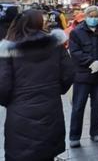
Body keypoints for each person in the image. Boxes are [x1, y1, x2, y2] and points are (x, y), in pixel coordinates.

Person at [0, 9, 75, 161]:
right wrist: (56, 89)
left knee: (21, 152)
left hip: (20, 110)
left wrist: (10, 102)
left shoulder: (9, 48)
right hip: (50, 107)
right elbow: (68, 73)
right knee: (46, 151)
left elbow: (3, 84)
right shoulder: (55, 44)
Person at [68, 5, 98, 148]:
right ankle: (74, 136)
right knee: (78, 106)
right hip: (82, 75)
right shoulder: (76, 32)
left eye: (96, 16)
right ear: (85, 16)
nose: (93, 19)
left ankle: (96, 132)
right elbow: (75, 51)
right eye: (90, 16)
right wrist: (90, 62)